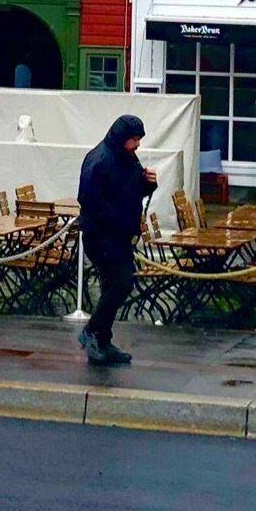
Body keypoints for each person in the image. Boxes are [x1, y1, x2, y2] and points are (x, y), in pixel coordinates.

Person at [75, 113, 156, 366]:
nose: (137, 144)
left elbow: (131, 189)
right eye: (134, 139)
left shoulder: (127, 157)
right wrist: (116, 220)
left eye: (139, 139)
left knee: (114, 285)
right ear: (122, 137)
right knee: (122, 282)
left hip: (119, 235)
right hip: (101, 235)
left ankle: (102, 340)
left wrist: (148, 184)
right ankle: (93, 331)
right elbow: (88, 198)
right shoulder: (99, 159)